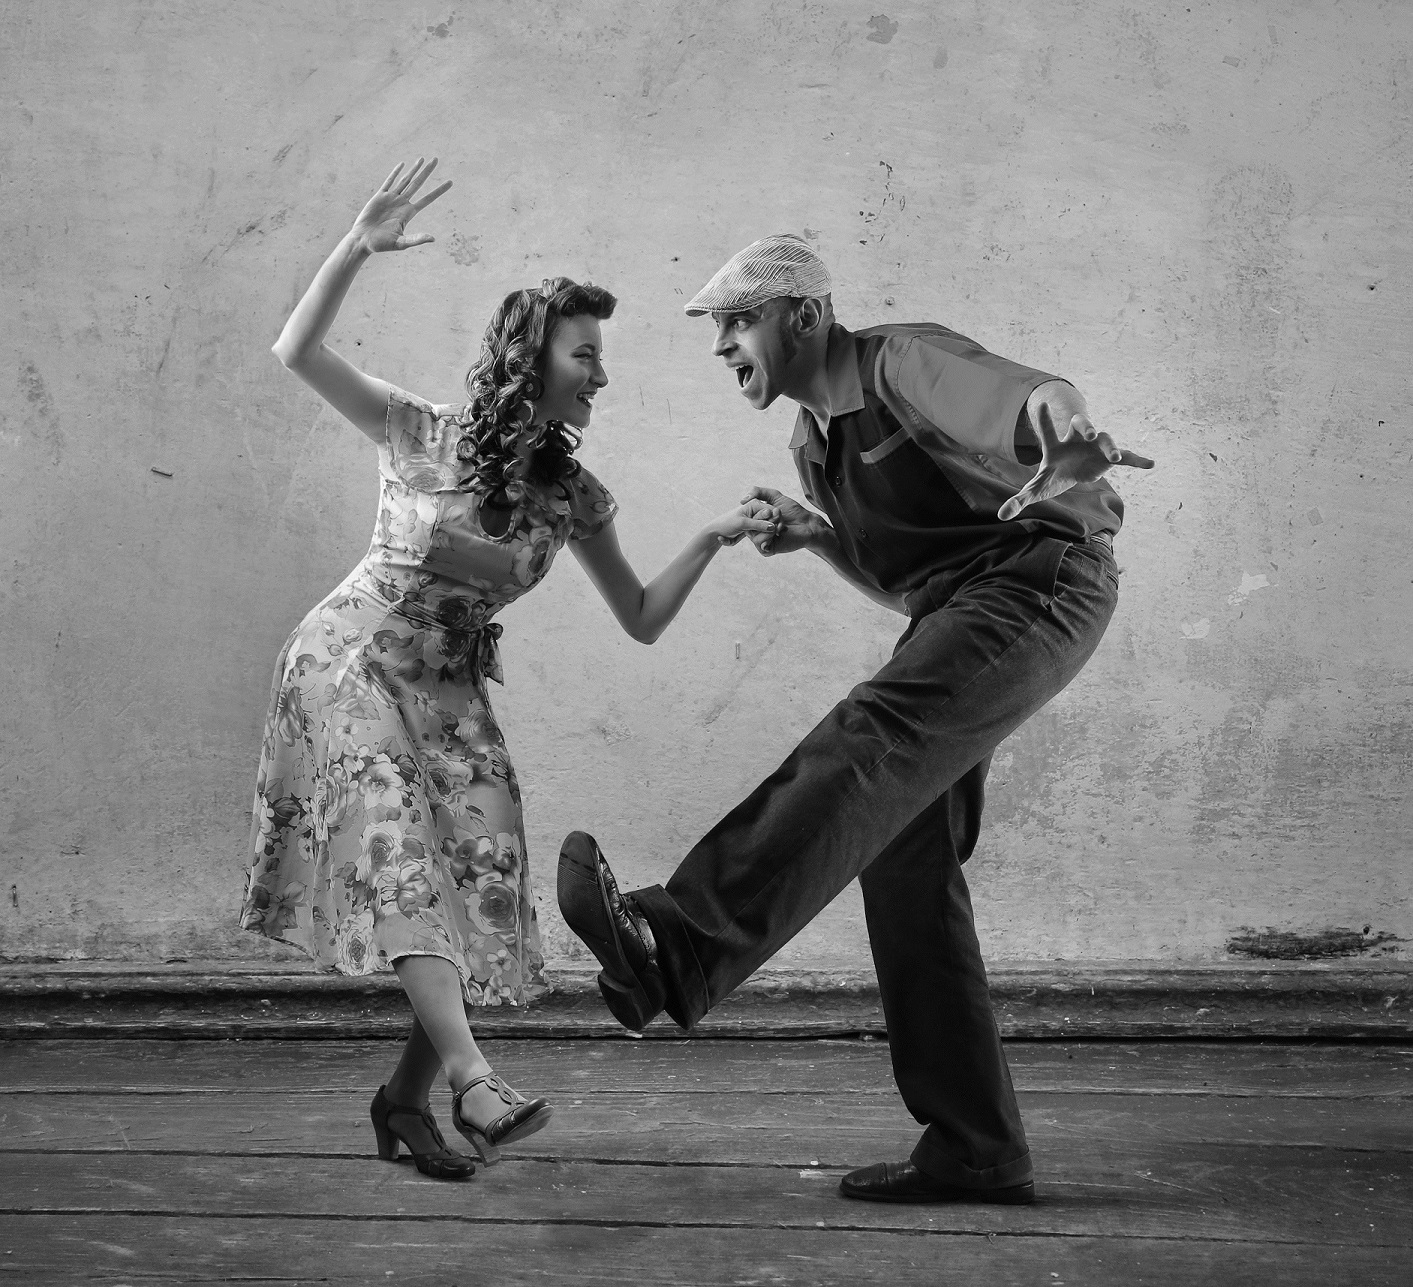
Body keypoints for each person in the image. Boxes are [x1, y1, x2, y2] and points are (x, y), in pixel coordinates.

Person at [557, 233, 1154, 1205]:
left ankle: (678, 942)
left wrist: (1067, 433)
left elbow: (1030, 397)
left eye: (736, 321)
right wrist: (820, 543)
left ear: (804, 316)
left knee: (870, 740)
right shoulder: (811, 448)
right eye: (714, 330)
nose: (721, 347)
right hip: (960, 612)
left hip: (1043, 579)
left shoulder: (899, 363)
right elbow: (906, 584)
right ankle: (975, 1148)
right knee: (904, 853)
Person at [240, 160, 775, 1181]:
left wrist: (713, 536)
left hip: (447, 693)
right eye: (587, 356)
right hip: (350, 664)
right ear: (534, 359)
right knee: (400, 850)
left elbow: (643, 618)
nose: (602, 378)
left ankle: (404, 1104)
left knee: (482, 876)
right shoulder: (420, 433)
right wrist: (357, 246)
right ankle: (476, 1085)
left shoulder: (573, 497)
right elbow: (296, 349)